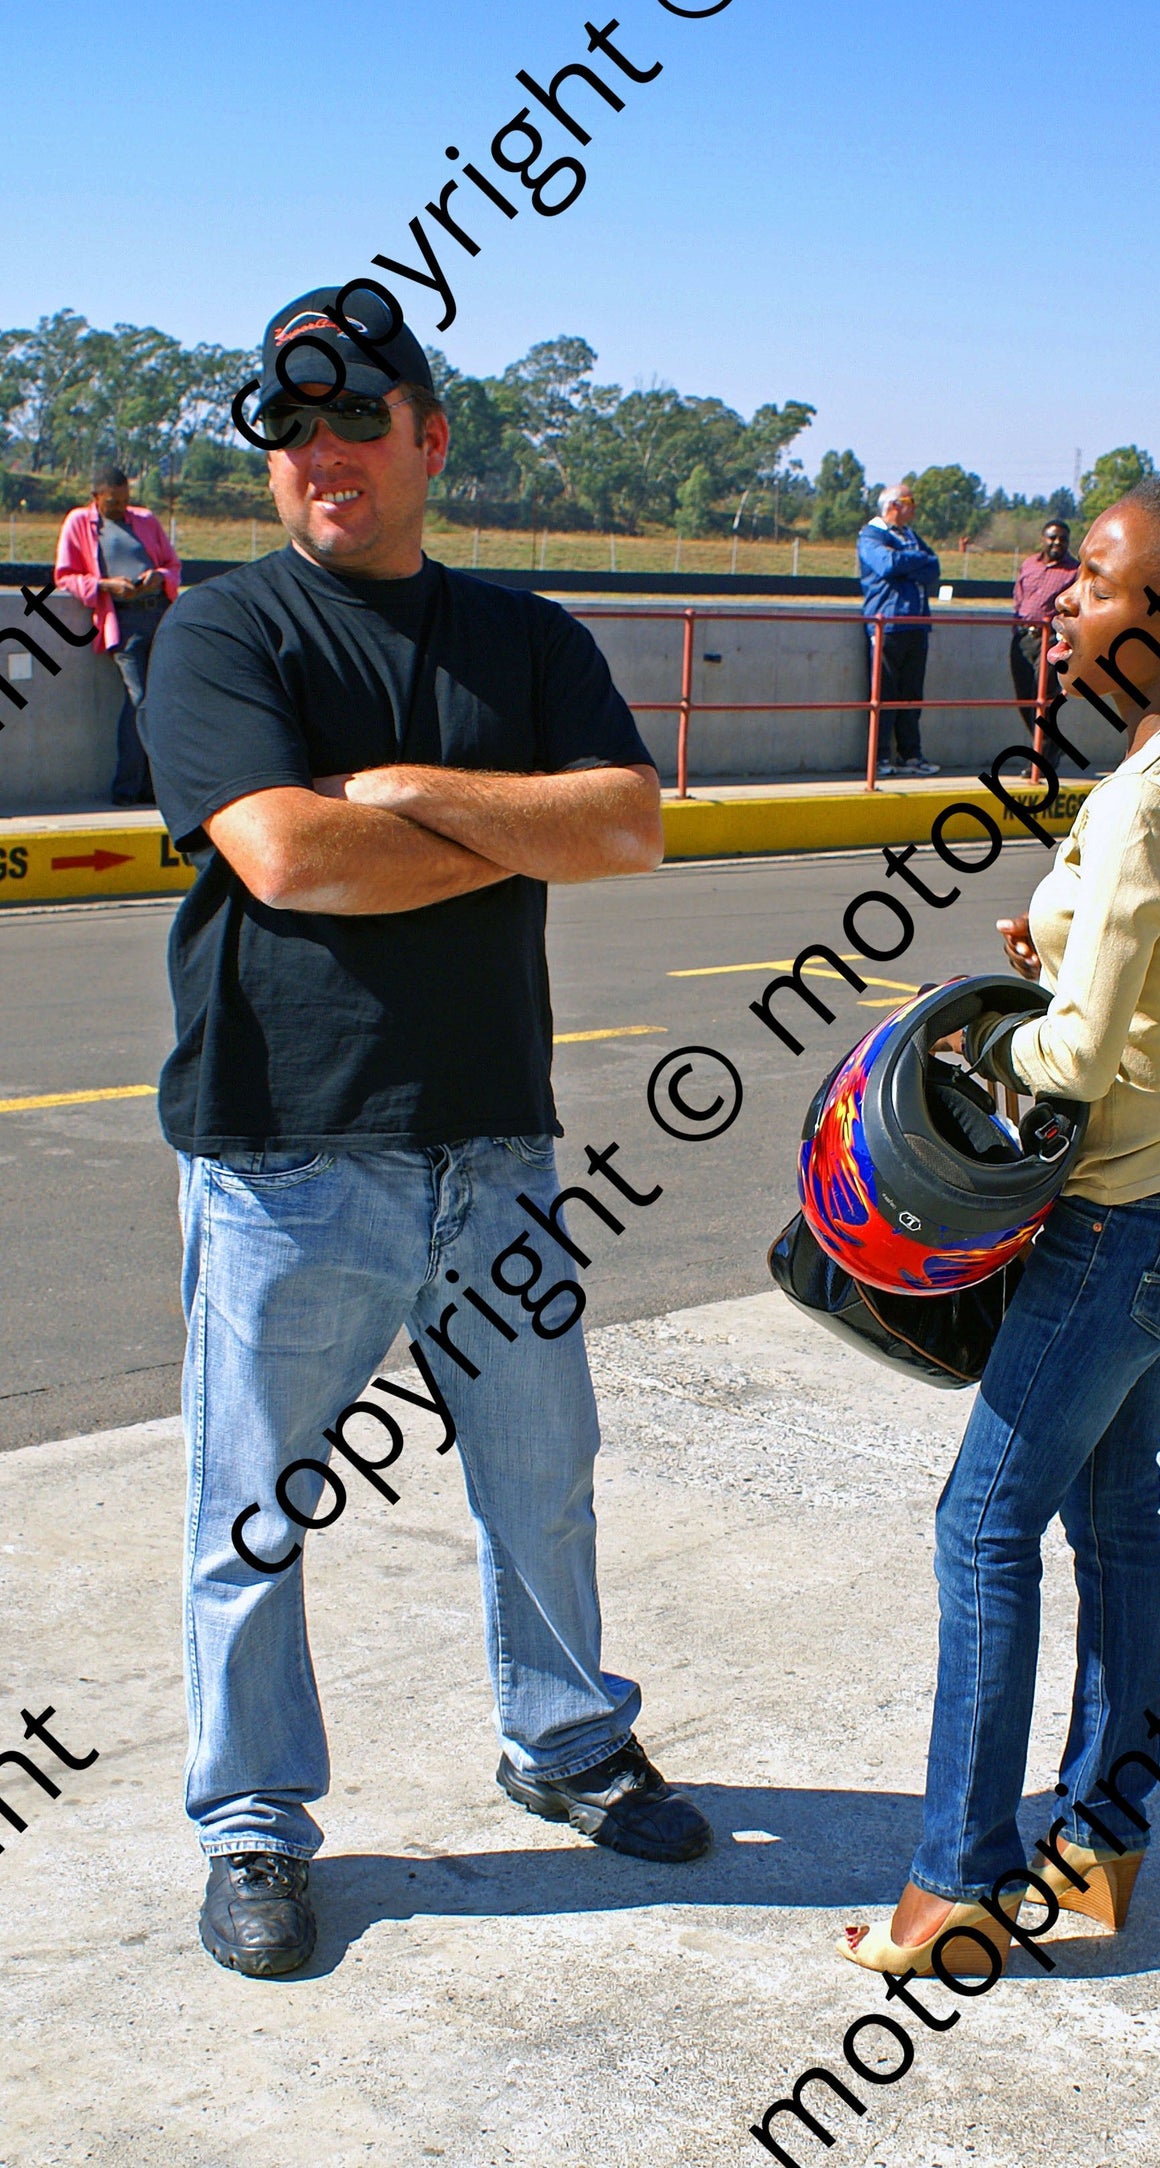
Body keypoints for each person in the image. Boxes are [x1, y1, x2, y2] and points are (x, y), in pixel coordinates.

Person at [139, 284, 711, 1981]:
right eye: (291, 430)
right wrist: (507, 831)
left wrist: (401, 794)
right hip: (286, 1148)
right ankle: (252, 1820)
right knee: (251, 1508)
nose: (322, 453)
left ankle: (567, 1740)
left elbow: (627, 826)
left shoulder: (525, 638)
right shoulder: (222, 633)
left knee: (542, 1477)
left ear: (426, 437)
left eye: (356, 420)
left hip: (496, 1144)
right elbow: (293, 862)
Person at [838, 476, 1160, 1980]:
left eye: (1092, 578)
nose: (1056, 600)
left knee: (981, 1523)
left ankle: (952, 1884)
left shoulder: (1138, 799)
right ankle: (1102, 1840)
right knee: (1114, 1509)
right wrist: (1072, 932)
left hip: (1122, 1219)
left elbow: (1075, 1062)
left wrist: (987, 1041)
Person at [55, 463, 181, 805]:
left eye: (124, 501)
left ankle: (152, 788)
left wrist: (157, 576)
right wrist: (106, 586)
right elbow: (65, 576)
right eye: (112, 503)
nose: (120, 508)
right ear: (95, 498)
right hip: (121, 622)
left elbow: (173, 565)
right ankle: (127, 788)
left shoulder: (145, 519)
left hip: (157, 616)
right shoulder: (79, 523)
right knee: (139, 698)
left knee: (161, 703)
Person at [857, 482, 941, 777]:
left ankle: (911, 756)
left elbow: (934, 567)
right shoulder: (871, 535)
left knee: (911, 695)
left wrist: (912, 562)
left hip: (917, 625)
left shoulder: (910, 536)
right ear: (894, 505)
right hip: (887, 625)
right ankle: (879, 758)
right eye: (910, 500)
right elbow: (887, 564)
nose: (914, 506)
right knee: (884, 694)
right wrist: (916, 561)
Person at [1010, 518, 1079, 731]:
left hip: (1050, 639)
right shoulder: (1029, 564)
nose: (1057, 542)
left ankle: (1044, 758)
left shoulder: (1075, 571)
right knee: (1024, 698)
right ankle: (1043, 752)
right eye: (1052, 537)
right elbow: (1018, 597)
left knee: (1044, 698)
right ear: (1043, 539)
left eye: (1063, 539)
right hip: (1022, 638)